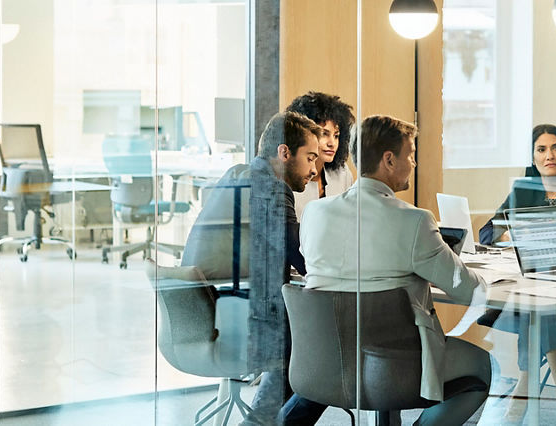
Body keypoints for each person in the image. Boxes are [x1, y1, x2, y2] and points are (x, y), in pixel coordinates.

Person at [298, 115, 493, 425]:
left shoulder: (314, 213)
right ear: (389, 160)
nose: (414, 163)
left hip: (326, 361)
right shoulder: (413, 221)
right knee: (482, 365)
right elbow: (467, 288)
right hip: (392, 366)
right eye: (411, 154)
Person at [179, 111, 325, 426]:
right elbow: (299, 251)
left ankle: (263, 419)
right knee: (318, 345)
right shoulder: (271, 187)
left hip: (201, 311)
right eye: (310, 157)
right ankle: (260, 421)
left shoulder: (239, 174)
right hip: (231, 317)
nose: (314, 169)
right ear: (284, 153)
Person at [475, 124, 556, 423]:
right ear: (533, 157)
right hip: (534, 288)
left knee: (539, 308)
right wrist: (513, 237)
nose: (549, 155)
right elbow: (487, 232)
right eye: (542, 149)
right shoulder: (524, 190)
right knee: (538, 306)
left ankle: (523, 388)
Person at [286, 91, 356, 219]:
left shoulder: (343, 173)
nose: (332, 143)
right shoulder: (287, 177)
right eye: (324, 134)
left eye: (336, 136)